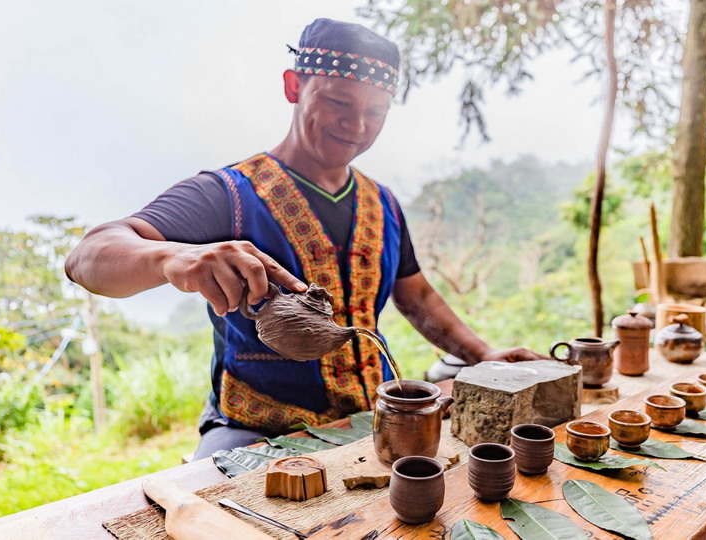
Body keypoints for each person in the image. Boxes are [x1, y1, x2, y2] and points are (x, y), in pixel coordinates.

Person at [65, 18, 545, 459]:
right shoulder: (226, 193)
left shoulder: (385, 205)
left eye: (375, 112)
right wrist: (172, 257)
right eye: (338, 102)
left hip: (368, 420)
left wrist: (482, 355)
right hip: (256, 430)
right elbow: (88, 257)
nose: (356, 125)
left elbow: (414, 292)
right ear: (294, 86)